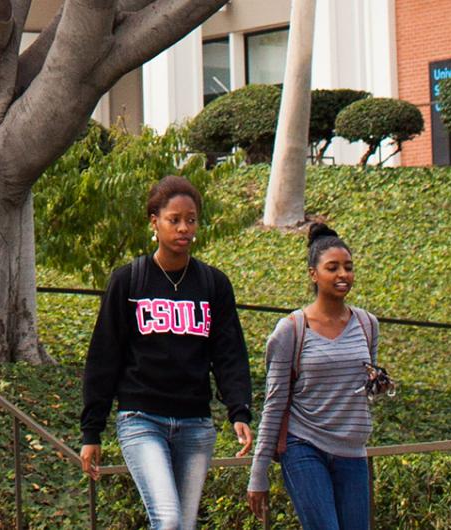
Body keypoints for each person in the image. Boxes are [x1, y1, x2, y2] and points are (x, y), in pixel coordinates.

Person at [78, 176, 254, 530]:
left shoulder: (212, 284)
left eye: (191, 220)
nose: (184, 228)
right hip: (142, 419)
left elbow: (229, 352)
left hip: (195, 423)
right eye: (174, 219)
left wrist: (240, 409)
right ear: (153, 221)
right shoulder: (129, 281)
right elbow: (104, 356)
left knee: (183, 526)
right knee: (169, 521)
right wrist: (91, 431)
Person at [247, 224, 390, 529]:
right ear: (313, 274)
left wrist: (378, 384)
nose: (343, 275)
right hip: (305, 445)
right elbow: (274, 403)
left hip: (352, 448)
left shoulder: (367, 324)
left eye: (348, 268)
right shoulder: (292, 329)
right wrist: (258, 474)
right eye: (333, 268)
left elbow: (367, 386)